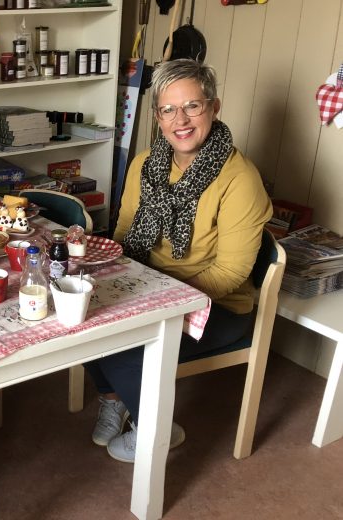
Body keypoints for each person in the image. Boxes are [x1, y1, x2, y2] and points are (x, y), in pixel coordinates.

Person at [85, 59, 272, 463]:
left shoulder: (240, 179)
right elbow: (122, 235)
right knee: (83, 315)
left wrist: (155, 305)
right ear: (157, 116)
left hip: (215, 306)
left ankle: (156, 429)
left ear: (215, 106)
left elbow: (230, 273)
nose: (180, 120)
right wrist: (113, 281)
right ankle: (115, 398)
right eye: (168, 109)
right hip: (150, 286)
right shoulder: (145, 164)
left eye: (193, 106)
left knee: (123, 344)